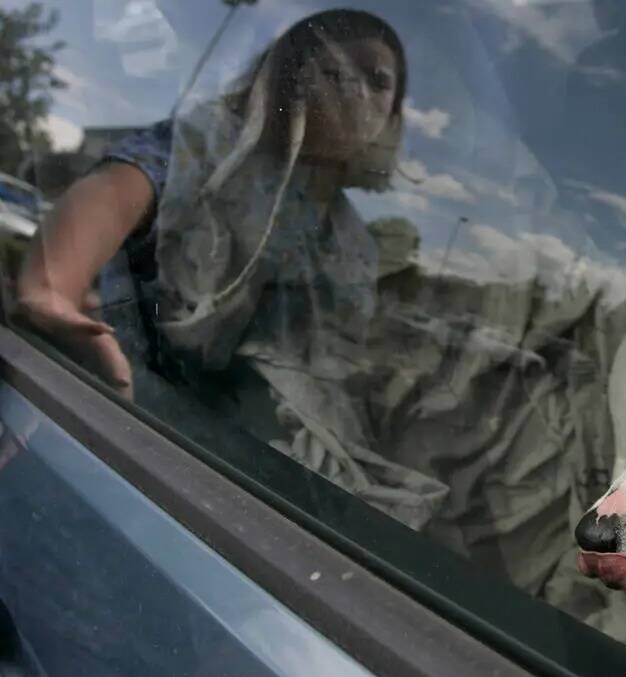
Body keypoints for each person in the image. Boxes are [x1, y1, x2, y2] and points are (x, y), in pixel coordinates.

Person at [15, 9, 448, 529]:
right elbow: (114, 193)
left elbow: (334, 364)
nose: (351, 85)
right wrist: (53, 289)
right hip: (115, 409)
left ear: (393, 116)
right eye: (331, 64)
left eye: (377, 81)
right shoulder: (213, 145)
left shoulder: (352, 242)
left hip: (241, 476)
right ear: (286, 72)